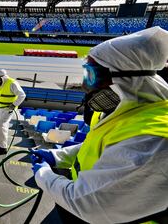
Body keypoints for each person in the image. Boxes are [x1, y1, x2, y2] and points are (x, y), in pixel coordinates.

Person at [31, 26, 168, 223]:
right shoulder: (122, 110)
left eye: (91, 75)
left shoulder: (153, 141)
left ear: (125, 79)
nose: (86, 85)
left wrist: (43, 174)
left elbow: (87, 205)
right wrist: (57, 156)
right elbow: (101, 147)